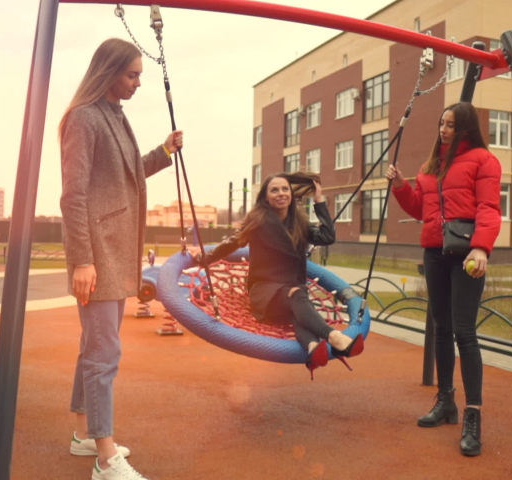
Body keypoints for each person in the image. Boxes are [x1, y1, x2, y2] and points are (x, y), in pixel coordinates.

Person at [59, 38, 183, 480]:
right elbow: (73, 196)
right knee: (103, 353)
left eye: (139, 76)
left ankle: (84, 435)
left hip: (113, 251)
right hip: (98, 255)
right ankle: (106, 457)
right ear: (109, 71)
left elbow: (127, 173)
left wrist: (164, 152)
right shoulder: (84, 118)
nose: (136, 83)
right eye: (132, 75)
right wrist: (82, 261)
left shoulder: (115, 115)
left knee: (94, 348)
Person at [386, 102, 501, 457]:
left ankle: (473, 415)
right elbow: (422, 209)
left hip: (466, 254)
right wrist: (403, 186)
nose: (443, 130)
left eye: (450, 125)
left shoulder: (484, 160)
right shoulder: (431, 164)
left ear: (466, 128)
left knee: (465, 333)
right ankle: (446, 401)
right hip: (434, 253)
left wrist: (481, 248)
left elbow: (488, 208)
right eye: (441, 123)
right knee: (441, 328)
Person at [191, 172, 364, 379]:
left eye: (285, 189)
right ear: (266, 197)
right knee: (296, 294)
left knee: (298, 308)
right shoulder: (258, 222)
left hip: (291, 299)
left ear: (291, 194)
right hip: (264, 293)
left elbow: (327, 236)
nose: (281, 193)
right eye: (274, 190)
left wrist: (319, 201)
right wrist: (204, 258)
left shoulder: (299, 222)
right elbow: (232, 243)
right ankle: (334, 337)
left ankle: (311, 347)